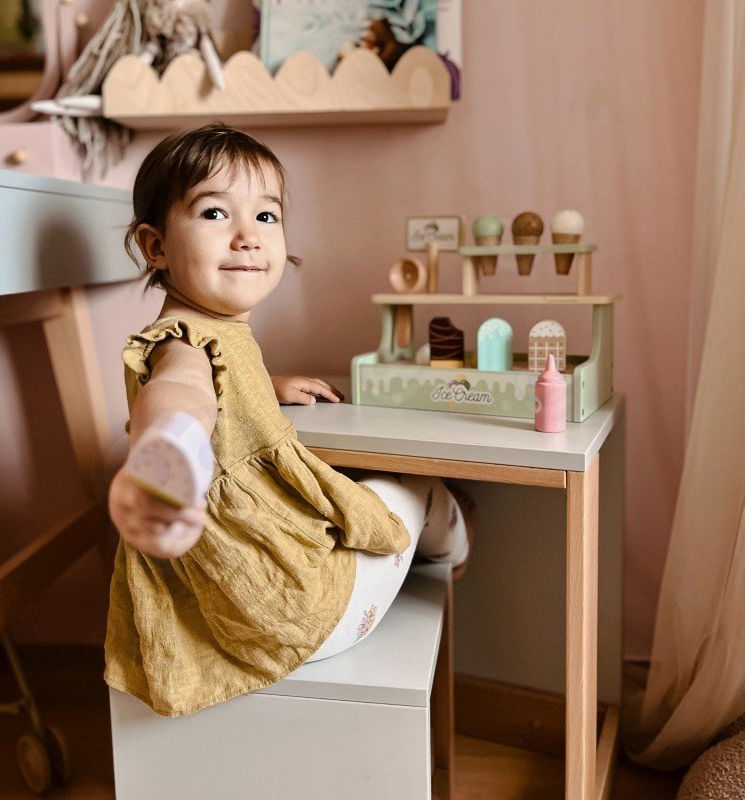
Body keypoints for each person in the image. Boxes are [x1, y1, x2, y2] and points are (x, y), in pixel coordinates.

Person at [105, 123, 474, 717]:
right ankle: (456, 546)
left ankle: (440, 547)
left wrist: (267, 388)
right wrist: (168, 447)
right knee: (412, 492)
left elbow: (214, 384)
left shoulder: (218, 338)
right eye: (215, 214)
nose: (248, 237)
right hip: (303, 615)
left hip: (249, 608)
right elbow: (180, 392)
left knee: (367, 499)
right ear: (155, 247)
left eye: (267, 218)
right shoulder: (179, 346)